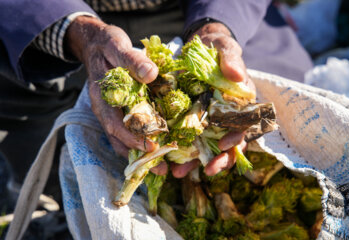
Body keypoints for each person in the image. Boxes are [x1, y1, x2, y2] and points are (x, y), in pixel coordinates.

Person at [0, 0, 312, 210]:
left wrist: (217, 26)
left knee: (282, 93)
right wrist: (78, 33)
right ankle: (54, 198)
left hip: (194, 7)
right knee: (25, 94)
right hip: (67, 13)